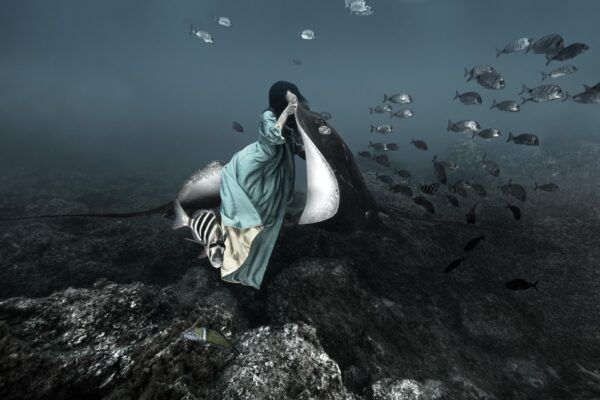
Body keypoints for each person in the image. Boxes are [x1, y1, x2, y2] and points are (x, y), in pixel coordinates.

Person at [218, 81, 308, 289]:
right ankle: (235, 262)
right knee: (254, 217)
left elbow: (290, 144)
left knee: (269, 221)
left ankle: (249, 268)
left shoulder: (289, 118)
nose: (294, 99)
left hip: (274, 172)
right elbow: (274, 137)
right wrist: (287, 111)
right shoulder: (268, 115)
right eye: (290, 95)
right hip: (256, 169)